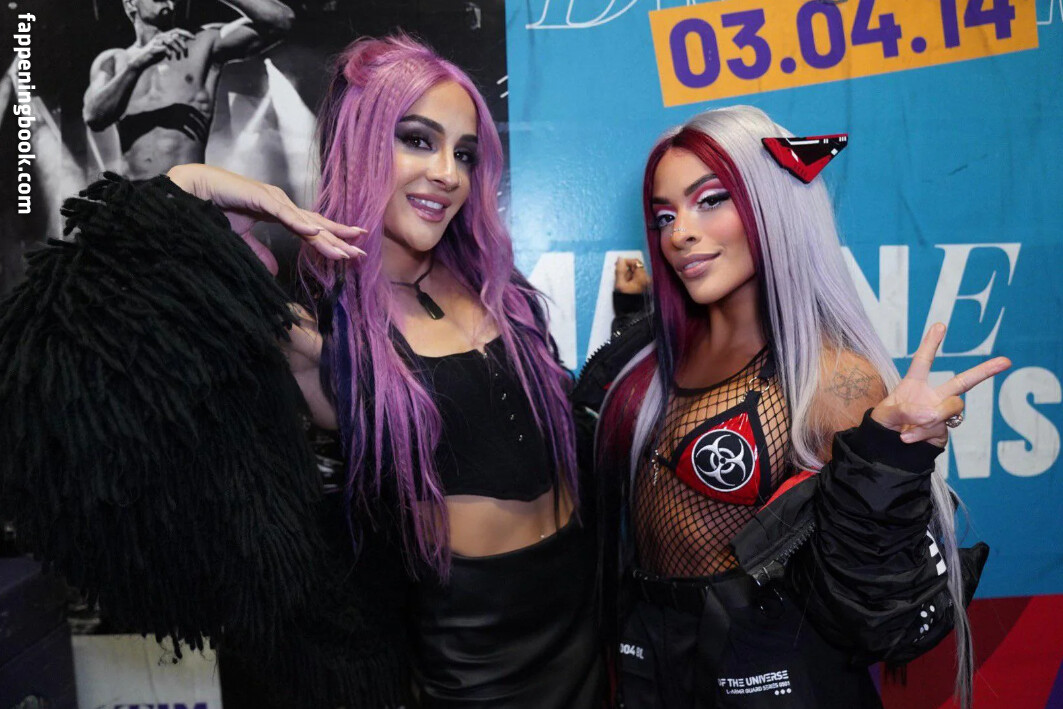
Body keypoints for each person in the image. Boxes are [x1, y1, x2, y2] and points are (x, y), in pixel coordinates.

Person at [146, 35, 603, 707]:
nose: (447, 173)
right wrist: (250, 195)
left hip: (585, 611)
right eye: (417, 140)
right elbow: (140, 234)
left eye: (464, 152)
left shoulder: (497, 290)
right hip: (477, 653)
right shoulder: (320, 329)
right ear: (360, 143)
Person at [589, 106, 1009, 709]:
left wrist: (889, 457)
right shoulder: (644, 365)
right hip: (650, 667)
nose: (679, 233)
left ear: (774, 204)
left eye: (711, 200)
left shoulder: (832, 378)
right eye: (665, 215)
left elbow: (874, 603)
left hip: (772, 678)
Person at [83, 0, 294, 179]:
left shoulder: (203, 42)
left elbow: (281, 20)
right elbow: (94, 116)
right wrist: (139, 63)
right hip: (134, 201)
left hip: (184, 197)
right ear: (130, 4)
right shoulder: (113, 60)